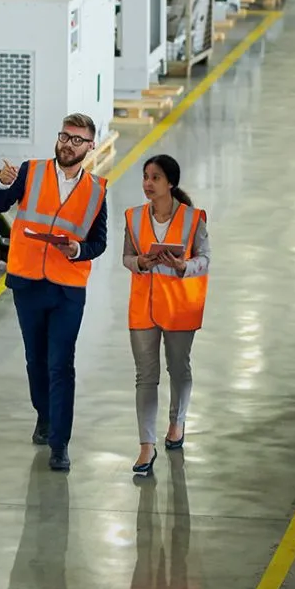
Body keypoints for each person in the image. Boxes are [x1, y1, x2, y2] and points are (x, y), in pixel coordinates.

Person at [0, 113, 109, 473]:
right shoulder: (31, 171)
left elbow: (98, 242)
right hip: (28, 283)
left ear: (89, 147)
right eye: (64, 136)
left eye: (76, 140)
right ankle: (43, 414)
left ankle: (60, 442)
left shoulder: (97, 190)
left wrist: (78, 251)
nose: (67, 144)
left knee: (61, 364)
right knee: (35, 360)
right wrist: (3, 184)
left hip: (68, 289)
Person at [123, 154, 210, 477]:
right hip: (143, 305)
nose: (148, 183)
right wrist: (141, 263)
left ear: (170, 183)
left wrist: (184, 266)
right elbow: (126, 257)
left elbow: (206, 259)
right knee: (145, 376)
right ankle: (146, 444)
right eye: (146, 176)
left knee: (178, 367)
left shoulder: (192, 218)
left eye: (155, 177)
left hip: (178, 305)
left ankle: (177, 421)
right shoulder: (133, 217)